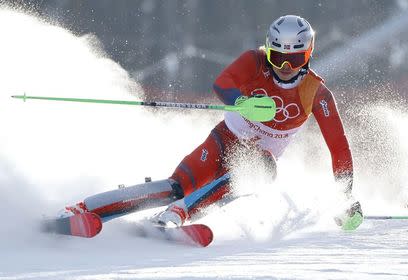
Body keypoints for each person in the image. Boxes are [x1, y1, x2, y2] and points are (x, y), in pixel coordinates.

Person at [60, 15, 363, 230]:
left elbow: (338, 147)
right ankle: (87, 208)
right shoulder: (254, 61)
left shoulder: (317, 93)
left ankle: (177, 216)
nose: (284, 68)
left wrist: (344, 194)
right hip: (223, 140)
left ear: (308, 55)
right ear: (267, 51)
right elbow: (222, 83)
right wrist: (240, 103)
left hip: (255, 159)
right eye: (277, 57)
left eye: (294, 60)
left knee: (261, 170)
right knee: (177, 187)